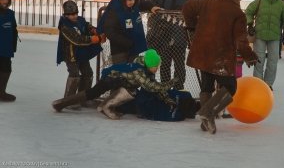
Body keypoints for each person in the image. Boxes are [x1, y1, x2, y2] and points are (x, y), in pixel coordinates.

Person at [182, 0, 259, 134]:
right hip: (221, 57)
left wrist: (192, 26)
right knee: (230, 87)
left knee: (207, 86)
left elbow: (187, 7)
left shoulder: (207, 2)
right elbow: (241, 41)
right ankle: (208, 113)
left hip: (203, 52)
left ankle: (206, 122)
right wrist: (250, 56)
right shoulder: (238, 14)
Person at [52, 49, 198, 121]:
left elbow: (154, 87)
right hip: (111, 78)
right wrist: (171, 83)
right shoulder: (139, 72)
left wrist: (167, 99)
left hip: (119, 79)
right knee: (94, 93)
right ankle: (105, 106)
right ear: (149, 64)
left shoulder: (145, 67)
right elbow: (152, 87)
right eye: (156, 66)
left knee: (128, 90)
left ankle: (104, 105)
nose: (157, 68)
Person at [245, 0, 284, 90]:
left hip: (274, 38)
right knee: (259, 60)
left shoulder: (282, 5)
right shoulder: (259, 1)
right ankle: (258, 83)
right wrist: (250, 24)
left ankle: (267, 84)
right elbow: (248, 12)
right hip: (260, 36)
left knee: (273, 61)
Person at [56, 0, 105, 109]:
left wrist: (93, 30)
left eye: (75, 14)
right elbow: (77, 40)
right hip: (71, 55)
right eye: (70, 15)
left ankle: (83, 98)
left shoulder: (80, 20)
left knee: (88, 73)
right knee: (74, 74)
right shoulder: (64, 26)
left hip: (82, 54)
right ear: (65, 15)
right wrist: (94, 39)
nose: (74, 16)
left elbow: (86, 25)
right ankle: (68, 100)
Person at [97, 0, 160, 64]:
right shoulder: (114, 10)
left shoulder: (135, 3)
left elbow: (142, 2)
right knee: (120, 73)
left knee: (132, 73)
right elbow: (110, 31)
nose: (132, 2)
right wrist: (126, 42)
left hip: (133, 48)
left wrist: (151, 7)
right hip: (119, 50)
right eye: (129, 0)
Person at [150, 0, 190, 90]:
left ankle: (178, 86)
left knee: (179, 64)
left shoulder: (188, 0)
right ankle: (165, 86)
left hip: (180, 38)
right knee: (165, 63)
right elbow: (153, 6)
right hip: (164, 36)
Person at [0, 0, 18, 102]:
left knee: (6, 69)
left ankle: (1, 92)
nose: (5, 1)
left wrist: (13, 45)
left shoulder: (10, 14)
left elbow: (13, 29)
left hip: (6, 48)